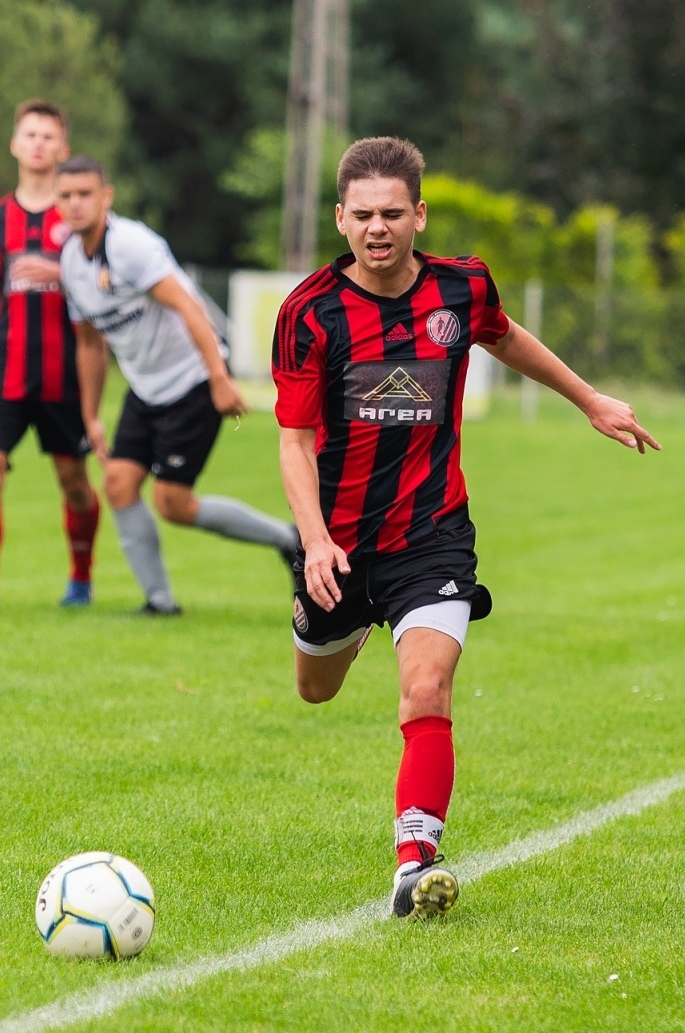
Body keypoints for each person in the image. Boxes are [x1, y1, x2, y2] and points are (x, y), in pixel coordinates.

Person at [272, 137, 660, 919]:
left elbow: (507, 336)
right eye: (362, 215)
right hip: (339, 548)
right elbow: (296, 441)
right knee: (315, 690)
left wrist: (589, 400)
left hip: (432, 535)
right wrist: (314, 540)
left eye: (392, 214)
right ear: (340, 219)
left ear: (419, 215)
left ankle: (414, 861)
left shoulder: (461, 289)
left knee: (427, 686)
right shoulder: (310, 312)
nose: (377, 228)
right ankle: (356, 623)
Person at [55, 156, 302, 615]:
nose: (75, 204)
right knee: (118, 484)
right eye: (66, 196)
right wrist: (90, 415)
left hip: (191, 382)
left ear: (106, 196)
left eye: (84, 193)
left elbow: (189, 307)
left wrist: (219, 378)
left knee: (173, 503)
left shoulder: (132, 246)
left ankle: (290, 540)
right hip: (145, 388)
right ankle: (160, 603)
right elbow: (89, 343)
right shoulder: (70, 262)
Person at [0, 100, 102, 614]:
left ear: (63, 149)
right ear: (14, 144)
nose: (38, 144)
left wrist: (65, 275)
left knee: (74, 482)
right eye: (30, 135)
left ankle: (81, 578)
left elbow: (105, 285)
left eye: (48, 137)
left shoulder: (78, 215)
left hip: (62, 374)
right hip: (0, 371)